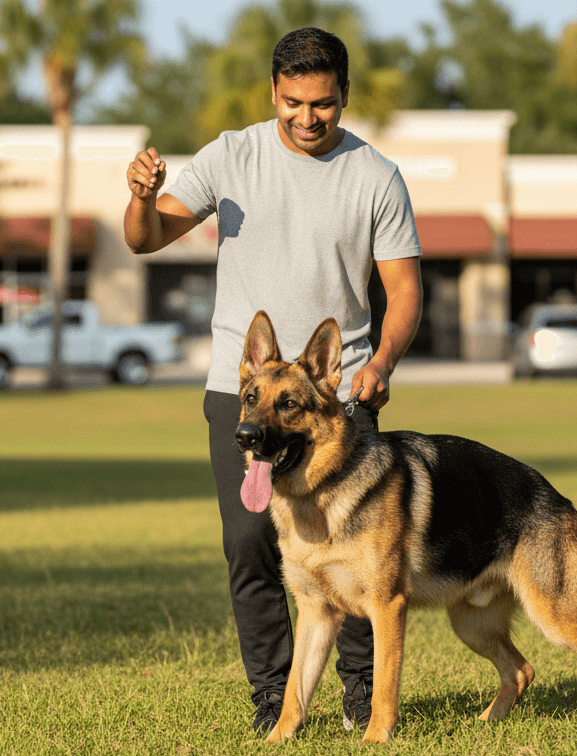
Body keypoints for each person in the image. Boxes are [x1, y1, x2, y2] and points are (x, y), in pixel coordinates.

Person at [122, 26, 423, 734]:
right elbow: (144, 238)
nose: (307, 117)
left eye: (322, 103)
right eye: (293, 102)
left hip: (333, 402)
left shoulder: (374, 177)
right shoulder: (233, 155)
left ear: (344, 95)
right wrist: (142, 196)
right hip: (247, 394)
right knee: (250, 541)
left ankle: (358, 691)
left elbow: (405, 292)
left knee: (356, 551)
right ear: (273, 92)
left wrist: (380, 362)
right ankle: (273, 698)